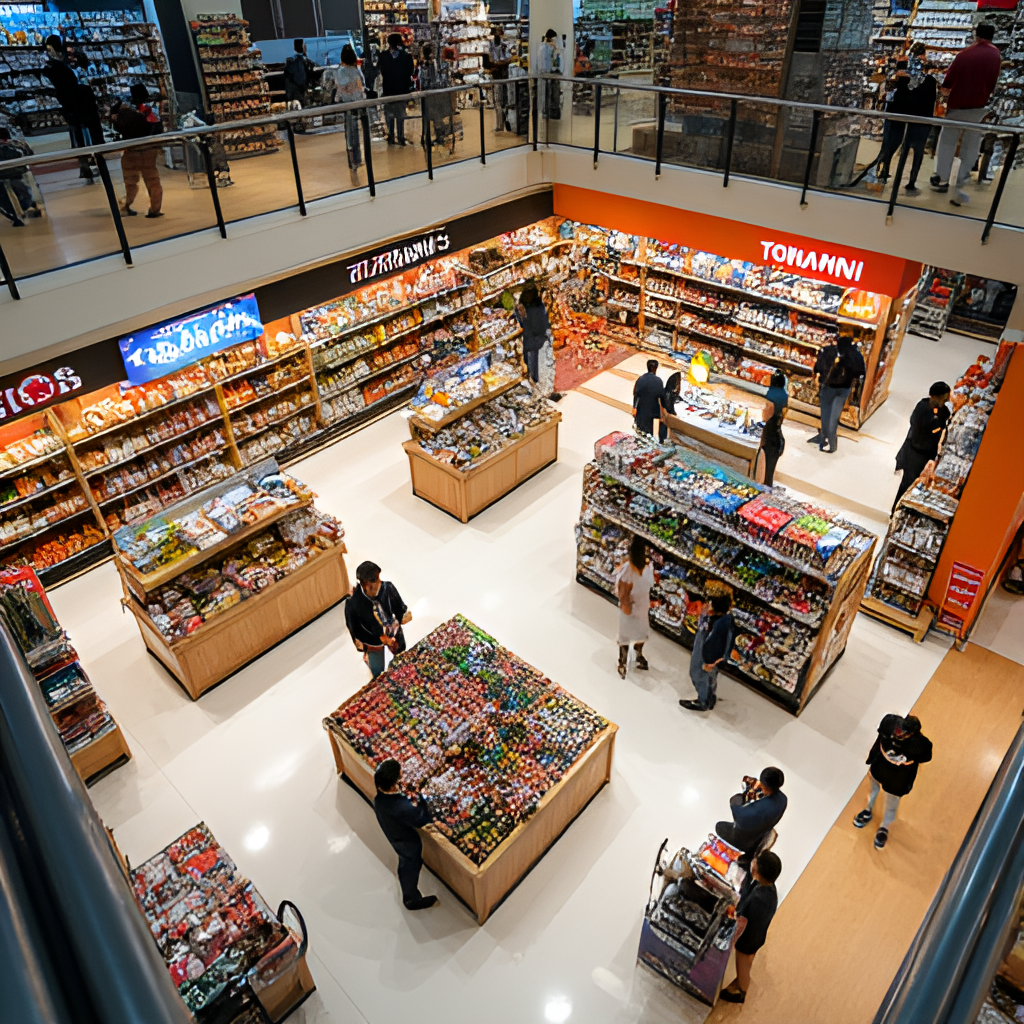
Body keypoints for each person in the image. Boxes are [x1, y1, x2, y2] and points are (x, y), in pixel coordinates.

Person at [930, 25, 1002, 207]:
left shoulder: (965, 54)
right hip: (979, 107)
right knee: (971, 145)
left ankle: (943, 178)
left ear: (976, 34)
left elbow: (948, 82)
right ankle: (961, 184)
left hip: (958, 105)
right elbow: (993, 82)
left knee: (947, 141)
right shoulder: (996, 56)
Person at [854, 713, 933, 849]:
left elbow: (926, 757)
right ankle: (868, 809)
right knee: (873, 789)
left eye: (903, 733)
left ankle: (884, 826)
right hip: (880, 765)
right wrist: (872, 757)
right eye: (898, 730)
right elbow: (879, 739)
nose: (898, 734)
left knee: (891, 802)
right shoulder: (889, 723)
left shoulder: (919, 744)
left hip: (899, 775)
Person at [373, 758, 438, 911]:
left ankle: (408, 886)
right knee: (410, 863)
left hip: (392, 831)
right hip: (406, 841)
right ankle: (411, 899)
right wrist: (422, 799)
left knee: (406, 862)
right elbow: (421, 819)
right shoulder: (400, 807)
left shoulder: (379, 799)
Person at [718, 850, 782, 1004]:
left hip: (747, 940)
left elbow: (740, 913)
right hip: (758, 935)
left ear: (756, 870)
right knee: (747, 961)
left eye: (755, 861)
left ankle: (741, 990)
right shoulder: (770, 890)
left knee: (743, 964)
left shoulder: (757, 899)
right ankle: (740, 983)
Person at [42, 35, 103, 181]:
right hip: (80, 106)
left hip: (71, 106)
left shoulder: (53, 66)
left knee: (78, 136)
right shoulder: (62, 66)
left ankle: (85, 166)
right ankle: (93, 164)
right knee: (86, 135)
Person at [877, 61, 939, 196]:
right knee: (917, 151)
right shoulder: (930, 82)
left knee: (891, 145)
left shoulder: (899, 80)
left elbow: (888, 98)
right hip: (921, 120)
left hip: (899, 118)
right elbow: (932, 101)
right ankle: (912, 180)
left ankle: (884, 171)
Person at [344, 560, 412, 678]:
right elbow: (355, 630)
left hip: (392, 631)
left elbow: (399, 608)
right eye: (375, 580)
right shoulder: (353, 603)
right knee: (378, 672)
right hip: (373, 642)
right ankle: (369, 657)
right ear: (365, 584)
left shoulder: (388, 588)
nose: (379, 582)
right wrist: (377, 639)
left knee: (401, 655)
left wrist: (403, 616)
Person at [892, 381, 951, 512]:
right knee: (907, 484)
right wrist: (936, 428)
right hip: (915, 453)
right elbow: (921, 428)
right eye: (945, 396)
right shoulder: (922, 408)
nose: (948, 398)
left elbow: (940, 427)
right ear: (936, 396)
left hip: (929, 454)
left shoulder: (944, 411)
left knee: (920, 484)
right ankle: (897, 510)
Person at [808, 333, 866, 454]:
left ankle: (824, 439)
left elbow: (818, 367)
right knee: (834, 416)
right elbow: (861, 373)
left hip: (828, 387)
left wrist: (819, 376)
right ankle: (831, 443)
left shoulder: (829, 351)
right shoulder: (855, 355)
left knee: (826, 414)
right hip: (844, 389)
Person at [680, 589, 735, 712]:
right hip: (710, 654)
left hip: (705, 653)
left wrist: (710, 661)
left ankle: (703, 701)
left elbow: (711, 643)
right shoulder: (725, 620)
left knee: (697, 672)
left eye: (710, 603)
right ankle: (710, 697)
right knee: (710, 677)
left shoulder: (715, 625)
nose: (707, 605)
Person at [111, 90, 163, 219]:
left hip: (132, 149)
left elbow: (117, 128)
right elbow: (156, 126)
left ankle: (126, 206)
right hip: (149, 148)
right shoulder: (149, 108)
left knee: (130, 181)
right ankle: (155, 209)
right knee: (153, 180)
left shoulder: (122, 112)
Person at [716, 767, 788, 855]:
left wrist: (745, 793)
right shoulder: (783, 800)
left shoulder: (752, 813)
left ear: (764, 785)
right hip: (759, 835)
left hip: (743, 842)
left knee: (719, 826)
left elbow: (735, 806)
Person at [616, 534, 654, 679]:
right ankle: (638, 656)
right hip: (642, 607)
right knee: (641, 634)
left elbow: (623, 595)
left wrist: (626, 610)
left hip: (631, 610)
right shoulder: (648, 567)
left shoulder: (627, 571)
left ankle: (623, 663)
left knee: (625, 637)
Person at [515, 282, 554, 394]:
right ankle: (534, 380)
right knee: (532, 360)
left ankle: (533, 381)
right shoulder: (536, 305)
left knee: (531, 361)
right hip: (535, 339)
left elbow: (530, 324)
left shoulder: (532, 307)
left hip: (532, 339)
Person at [334, 44, 365, 183]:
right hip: (359, 104)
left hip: (347, 106)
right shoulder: (356, 71)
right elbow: (361, 86)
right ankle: (358, 158)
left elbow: (340, 90)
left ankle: (352, 161)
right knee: (357, 132)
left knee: (349, 135)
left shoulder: (340, 72)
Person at [0, 128, 41, 226]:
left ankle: (16, 215)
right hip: (20, 175)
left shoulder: (8, 148)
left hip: (5, 178)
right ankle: (30, 208)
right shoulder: (18, 144)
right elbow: (29, 154)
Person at [380, 33, 415, 146]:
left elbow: (382, 71)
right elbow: (411, 72)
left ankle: (391, 135)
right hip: (402, 89)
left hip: (388, 90)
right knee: (400, 114)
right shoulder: (406, 56)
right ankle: (400, 136)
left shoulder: (383, 56)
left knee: (389, 114)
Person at [418, 43, 454, 148]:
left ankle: (440, 134)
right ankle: (437, 135)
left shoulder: (442, 64)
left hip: (438, 94)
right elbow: (423, 82)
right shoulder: (424, 66)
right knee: (433, 116)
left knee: (437, 115)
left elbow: (445, 78)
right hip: (431, 95)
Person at [757, 370, 788, 486]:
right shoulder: (784, 395)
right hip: (777, 433)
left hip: (770, 435)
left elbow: (767, 413)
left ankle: (765, 486)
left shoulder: (771, 394)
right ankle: (768, 484)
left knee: (765, 463)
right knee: (771, 466)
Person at [488, 26, 512, 132]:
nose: (496, 36)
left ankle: (505, 121)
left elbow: (508, 59)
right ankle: (499, 125)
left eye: (497, 34)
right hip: (496, 76)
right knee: (497, 101)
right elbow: (490, 59)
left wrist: (498, 64)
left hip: (503, 76)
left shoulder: (504, 45)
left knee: (504, 101)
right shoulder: (491, 45)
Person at [632, 359, 665, 436]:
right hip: (653, 409)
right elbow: (661, 395)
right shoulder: (659, 381)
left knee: (640, 429)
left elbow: (636, 394)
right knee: (650, 431)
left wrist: (634, 407)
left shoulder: (641, 379)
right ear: (656, 368)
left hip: (642, 407)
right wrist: (663, 409)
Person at [284, 38, 315, 109]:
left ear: (294, 48)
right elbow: (301, 79)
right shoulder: (303, 62)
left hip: (291, 97)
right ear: (304, 47)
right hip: (301, 97)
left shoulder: (290, 62)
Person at [538, 29, 562, 120]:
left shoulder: (546, 47)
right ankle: (546, 111)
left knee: (548, 92)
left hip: (547, 72)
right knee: (546, 93)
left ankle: (548, 111)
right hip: (546, 73)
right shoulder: (545, 48)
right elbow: (547, 61)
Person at [658, 371, 681, 443]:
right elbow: (668, 407)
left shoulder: (670, 391)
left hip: (665, 414)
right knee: (664, 428)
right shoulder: (668, 393)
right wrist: (672, 412)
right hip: (664, 415)